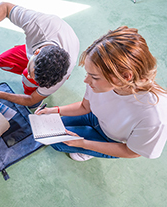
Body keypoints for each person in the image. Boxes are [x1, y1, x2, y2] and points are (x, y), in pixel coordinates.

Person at [35, 26, 167, 161]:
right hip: (95, 116)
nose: (86, 80)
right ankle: (88, 138)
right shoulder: (97, 83)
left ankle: (90, 150)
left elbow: (132, 151)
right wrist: (53, 111)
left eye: (95, 77)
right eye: (88, 73)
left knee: (58, 144)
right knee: (50, 130)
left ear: (125, 76)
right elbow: (85, 107)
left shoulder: (154, 116)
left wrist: (84, 144)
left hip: (112, 138)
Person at [0, 2, 80, 109]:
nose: (29, 76)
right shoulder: (39, 24)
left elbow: (30, 100)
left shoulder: (60, 75)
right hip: (40, 42)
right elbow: (5, 7)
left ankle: (33, 85)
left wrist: (1, 95)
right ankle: (29, 60)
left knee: (27, 77)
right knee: (2, 61)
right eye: (32, 72)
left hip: (44, 51)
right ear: (37, 52)